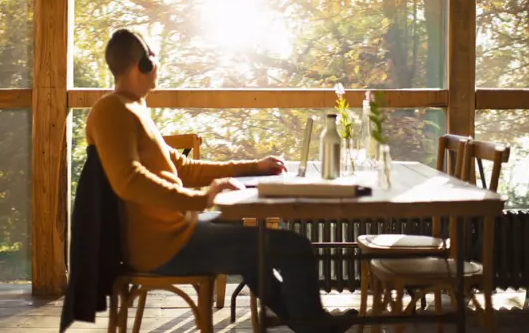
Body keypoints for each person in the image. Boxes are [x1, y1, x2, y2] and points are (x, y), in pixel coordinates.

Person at [85, 29, 357, 333]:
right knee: (296, 248)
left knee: (253, 236)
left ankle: (304, 321)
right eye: (154, 61)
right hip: (162, 248)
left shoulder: (134, 108)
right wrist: (202, 199)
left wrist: (253, 167)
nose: (158, 68)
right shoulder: (111, 110)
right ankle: (314, 326)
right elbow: (129, 181)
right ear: (144, 65)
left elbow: (184, 167)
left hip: (178, 232)